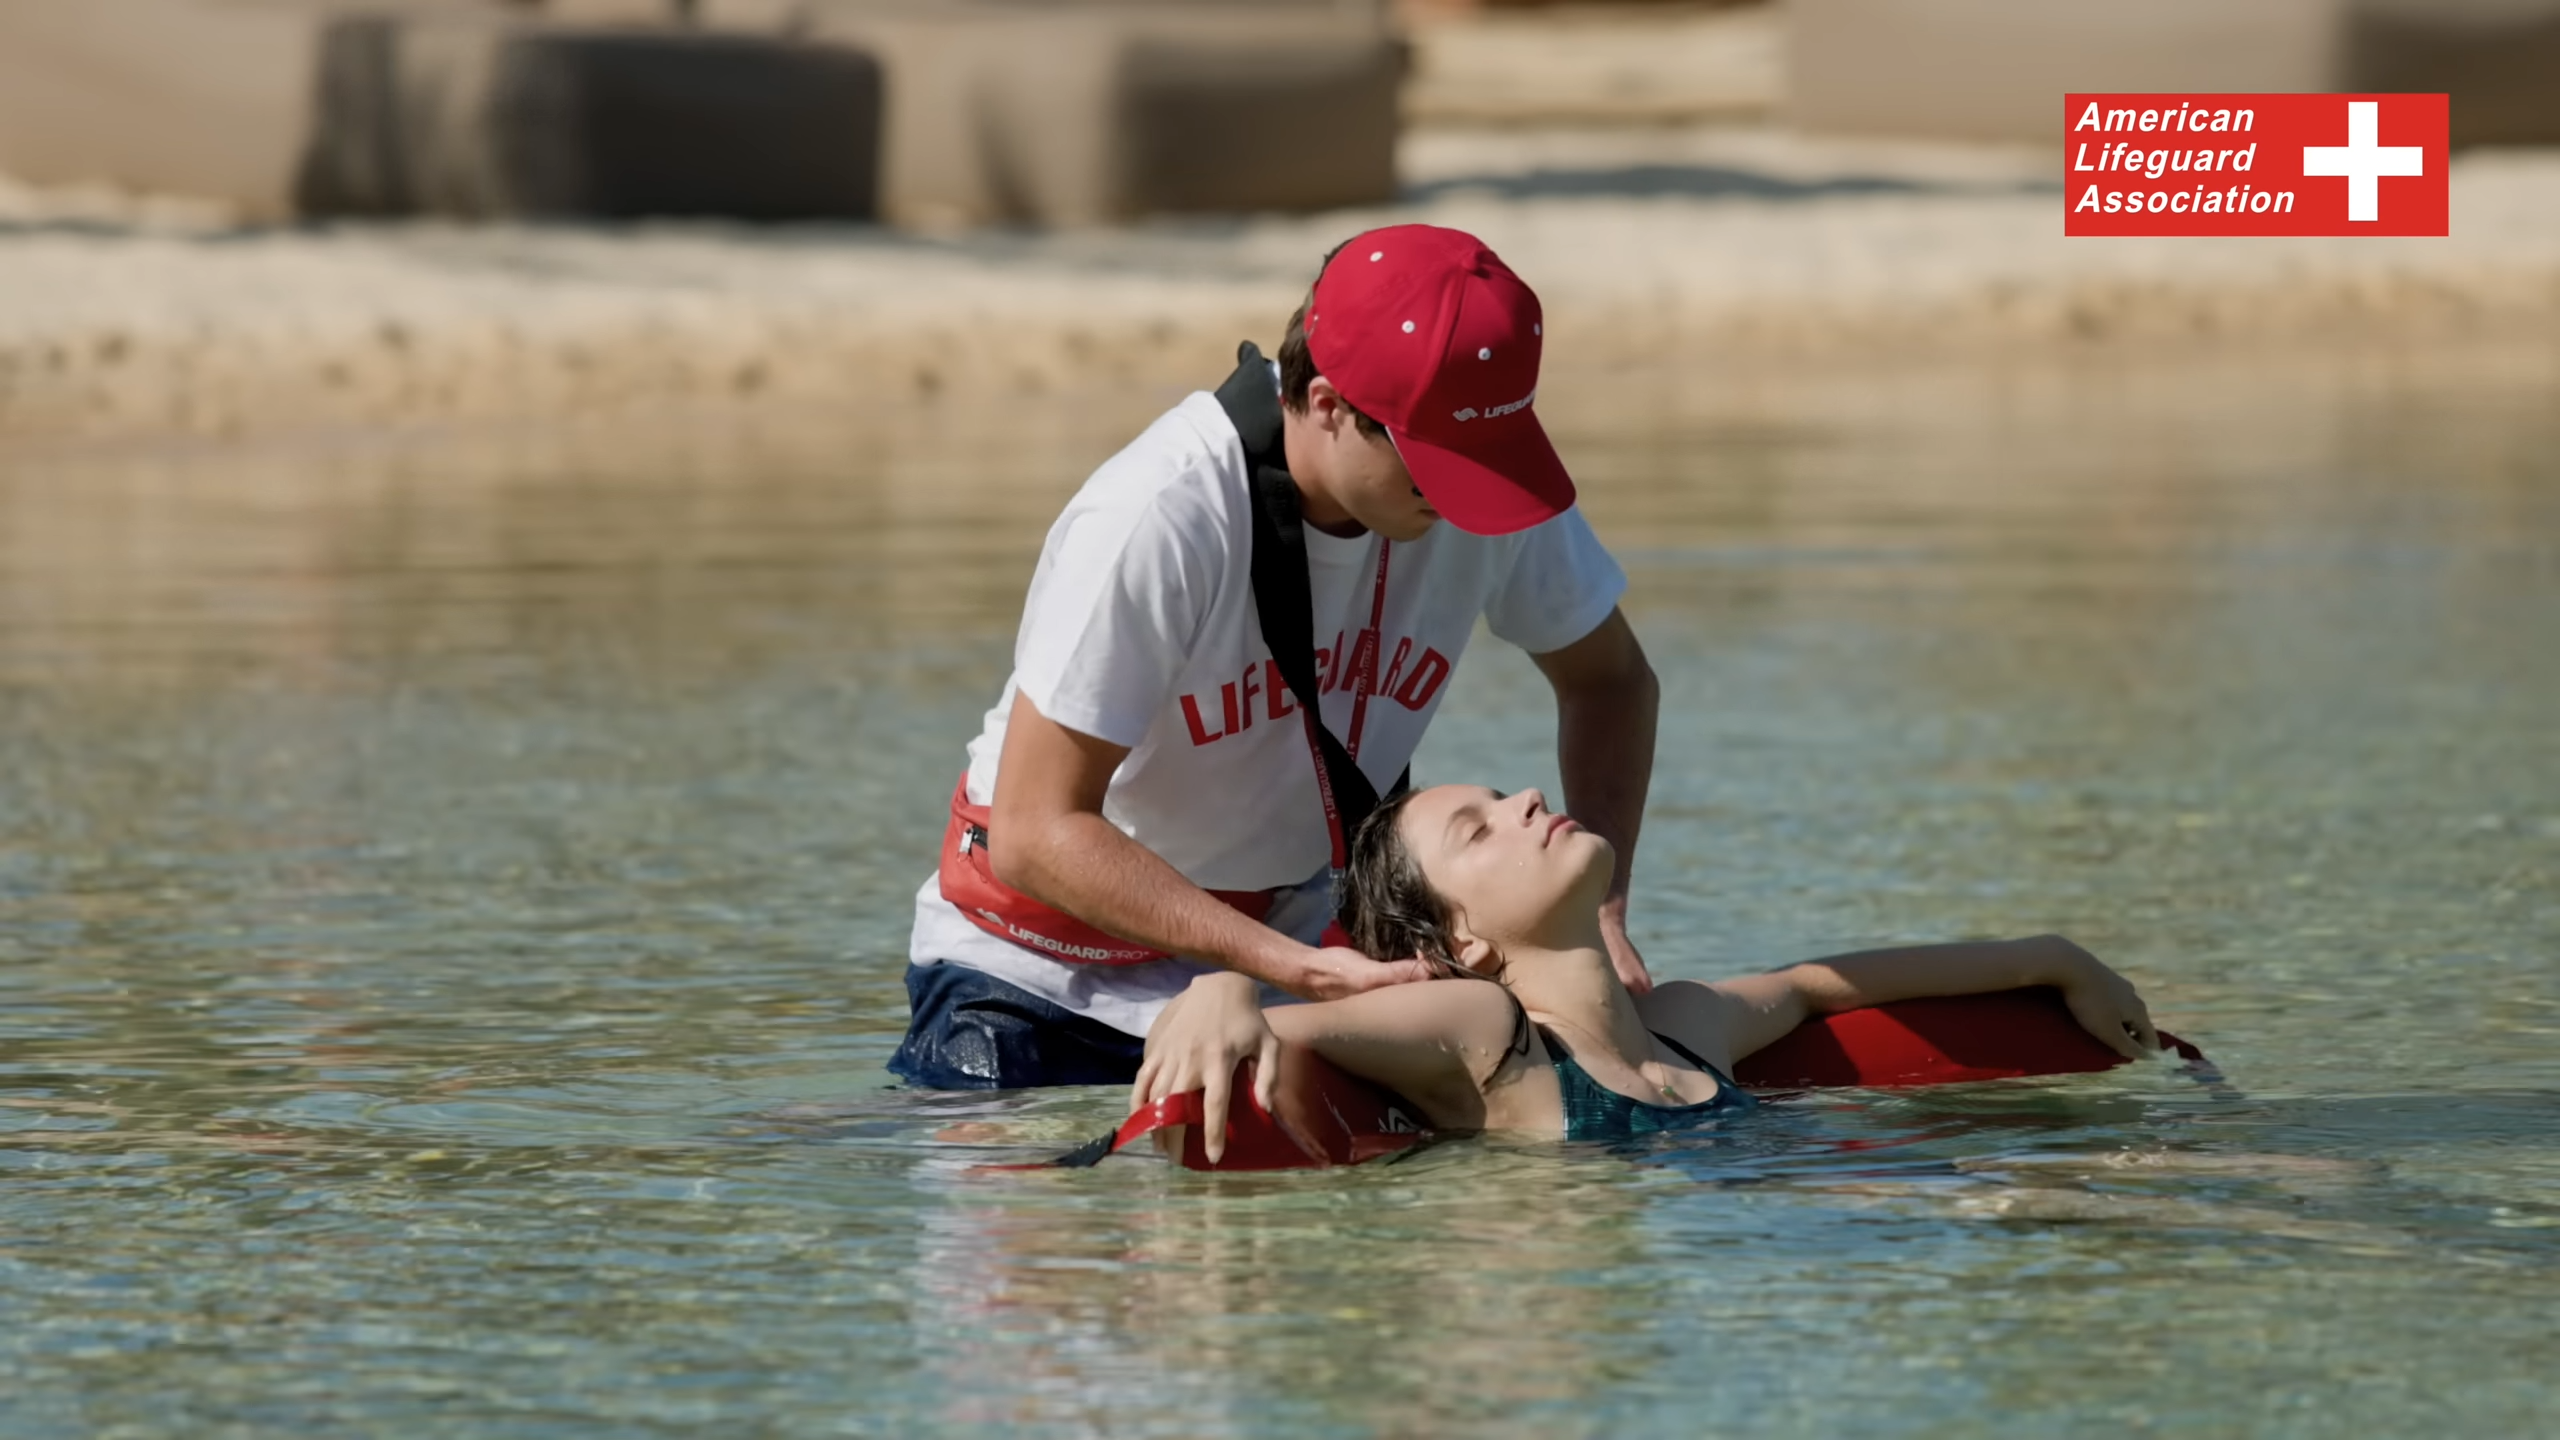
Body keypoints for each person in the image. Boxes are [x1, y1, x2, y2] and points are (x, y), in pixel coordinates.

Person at [890, 224, 1662, 1091]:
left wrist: (1604, 908)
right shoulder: (1160, 514)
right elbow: (1033, 834)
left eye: (1487, 455)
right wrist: (1294, 970)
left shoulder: (1483, 478)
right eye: (1438, 466)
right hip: (1042, 973)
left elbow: (1611, 682)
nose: (1468, 499)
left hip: (1290, 961)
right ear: (1328, 404)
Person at [1137, 784, 2163, 1157]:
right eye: (1478, 828)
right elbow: (1284, 1028)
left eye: (1503, 793)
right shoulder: (1485, 1034)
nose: (1529, 798)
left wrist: (2051, 955)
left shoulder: (1680, 1028)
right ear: (1462, 945)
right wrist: (1222, 986)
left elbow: (1818, 985)